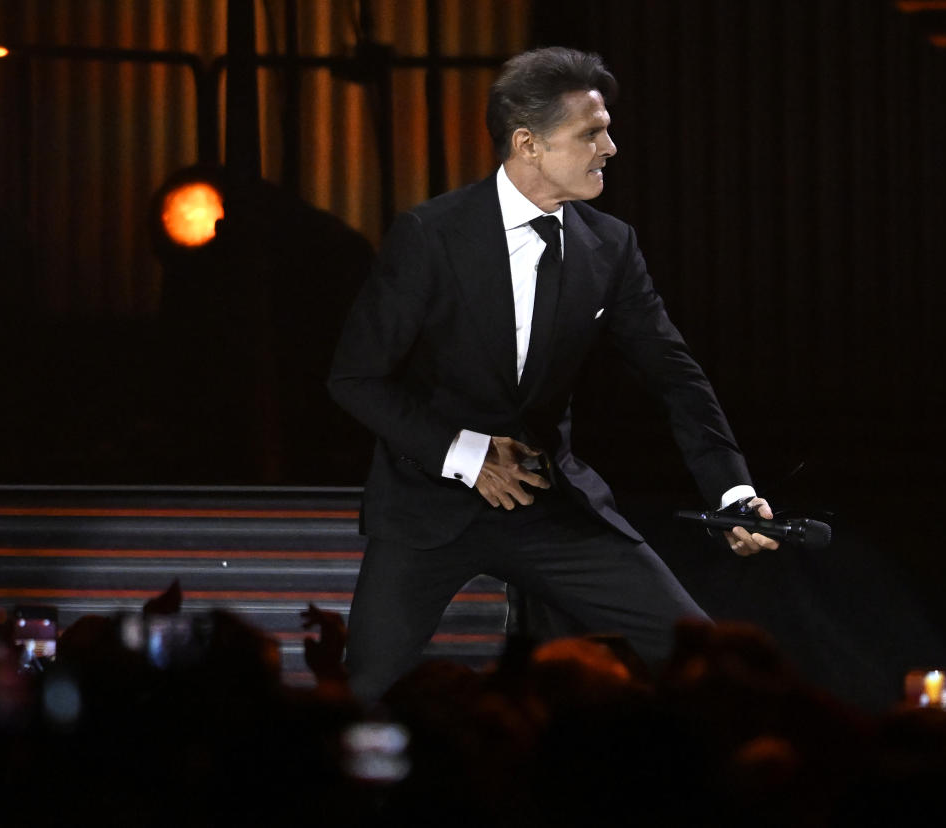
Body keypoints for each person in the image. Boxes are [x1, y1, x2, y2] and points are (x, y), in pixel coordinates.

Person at [328, 46, 778, 707]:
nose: (611, 147)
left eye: (607, 129)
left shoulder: (609, 245)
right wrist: (467, 455)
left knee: (704, 662)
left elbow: (673, 374)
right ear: (527, 144)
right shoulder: (431, 235)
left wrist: (732, 492)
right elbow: (355, 378)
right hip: (428, 505)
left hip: (546, 504)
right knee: (364, 689)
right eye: (591, 133)